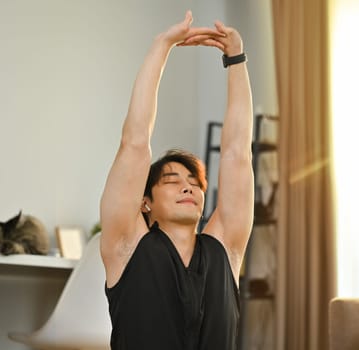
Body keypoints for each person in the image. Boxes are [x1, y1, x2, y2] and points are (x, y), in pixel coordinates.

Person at [100, 10, 254, 350]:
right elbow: (135, 142)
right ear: (145, 202)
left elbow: (237, 153)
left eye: (194, 181)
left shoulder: (225, 249)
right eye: (170, 180)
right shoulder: (126, 246)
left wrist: (237, 58)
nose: (187, 186)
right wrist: (162, 45)